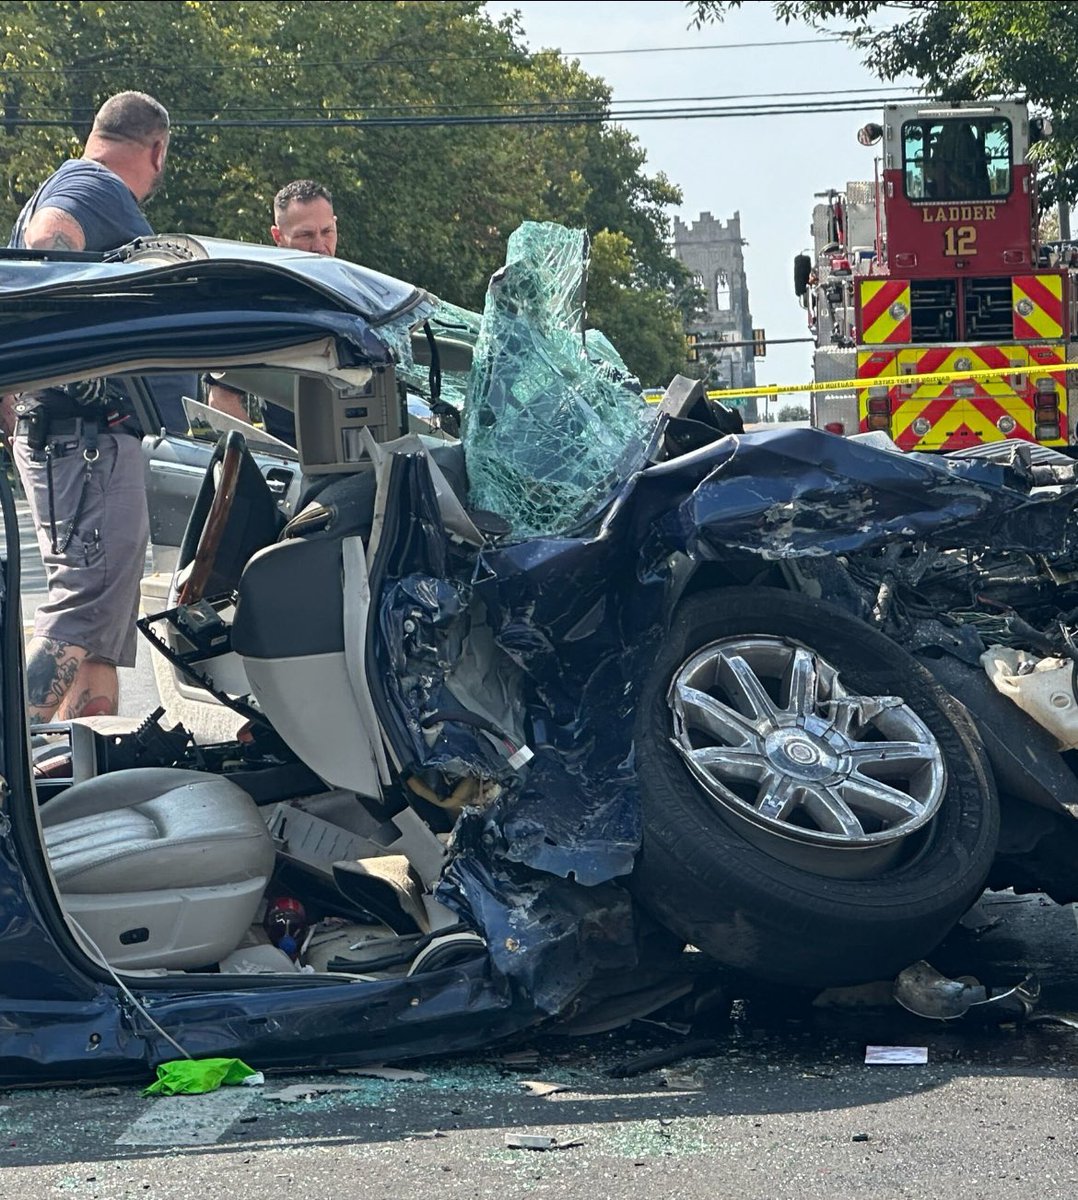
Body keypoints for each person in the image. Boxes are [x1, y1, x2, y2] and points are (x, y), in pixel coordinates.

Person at [6, 91, 170, 721]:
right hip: (88, 440)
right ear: (155, 150)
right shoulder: (94, 187)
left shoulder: (74, 184)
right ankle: (9, 760)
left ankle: (83, 772)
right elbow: (50, 244)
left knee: (101, 625)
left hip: (73, 440)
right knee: (83, 609)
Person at [207, 180, 338, 444]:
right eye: (306, 235)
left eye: (327, 231)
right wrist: (268, 459)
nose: (320, 245)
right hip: (294, 465)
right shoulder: (260, 312)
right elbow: (221, 400)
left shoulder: (359, 298)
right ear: (278, 237)